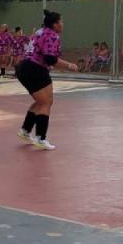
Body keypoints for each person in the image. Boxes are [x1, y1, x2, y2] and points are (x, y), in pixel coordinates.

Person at [14, 10, 79, 150]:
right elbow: (50, 59)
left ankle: (25, 131)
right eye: (61, 21)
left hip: (23, 67)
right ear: (55, 24)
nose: (63, 24)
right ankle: (41, 138)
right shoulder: (52, 35)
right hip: (35, 68)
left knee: (41, 101)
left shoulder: (40, 31)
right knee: (46, 102)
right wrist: (69, 66)